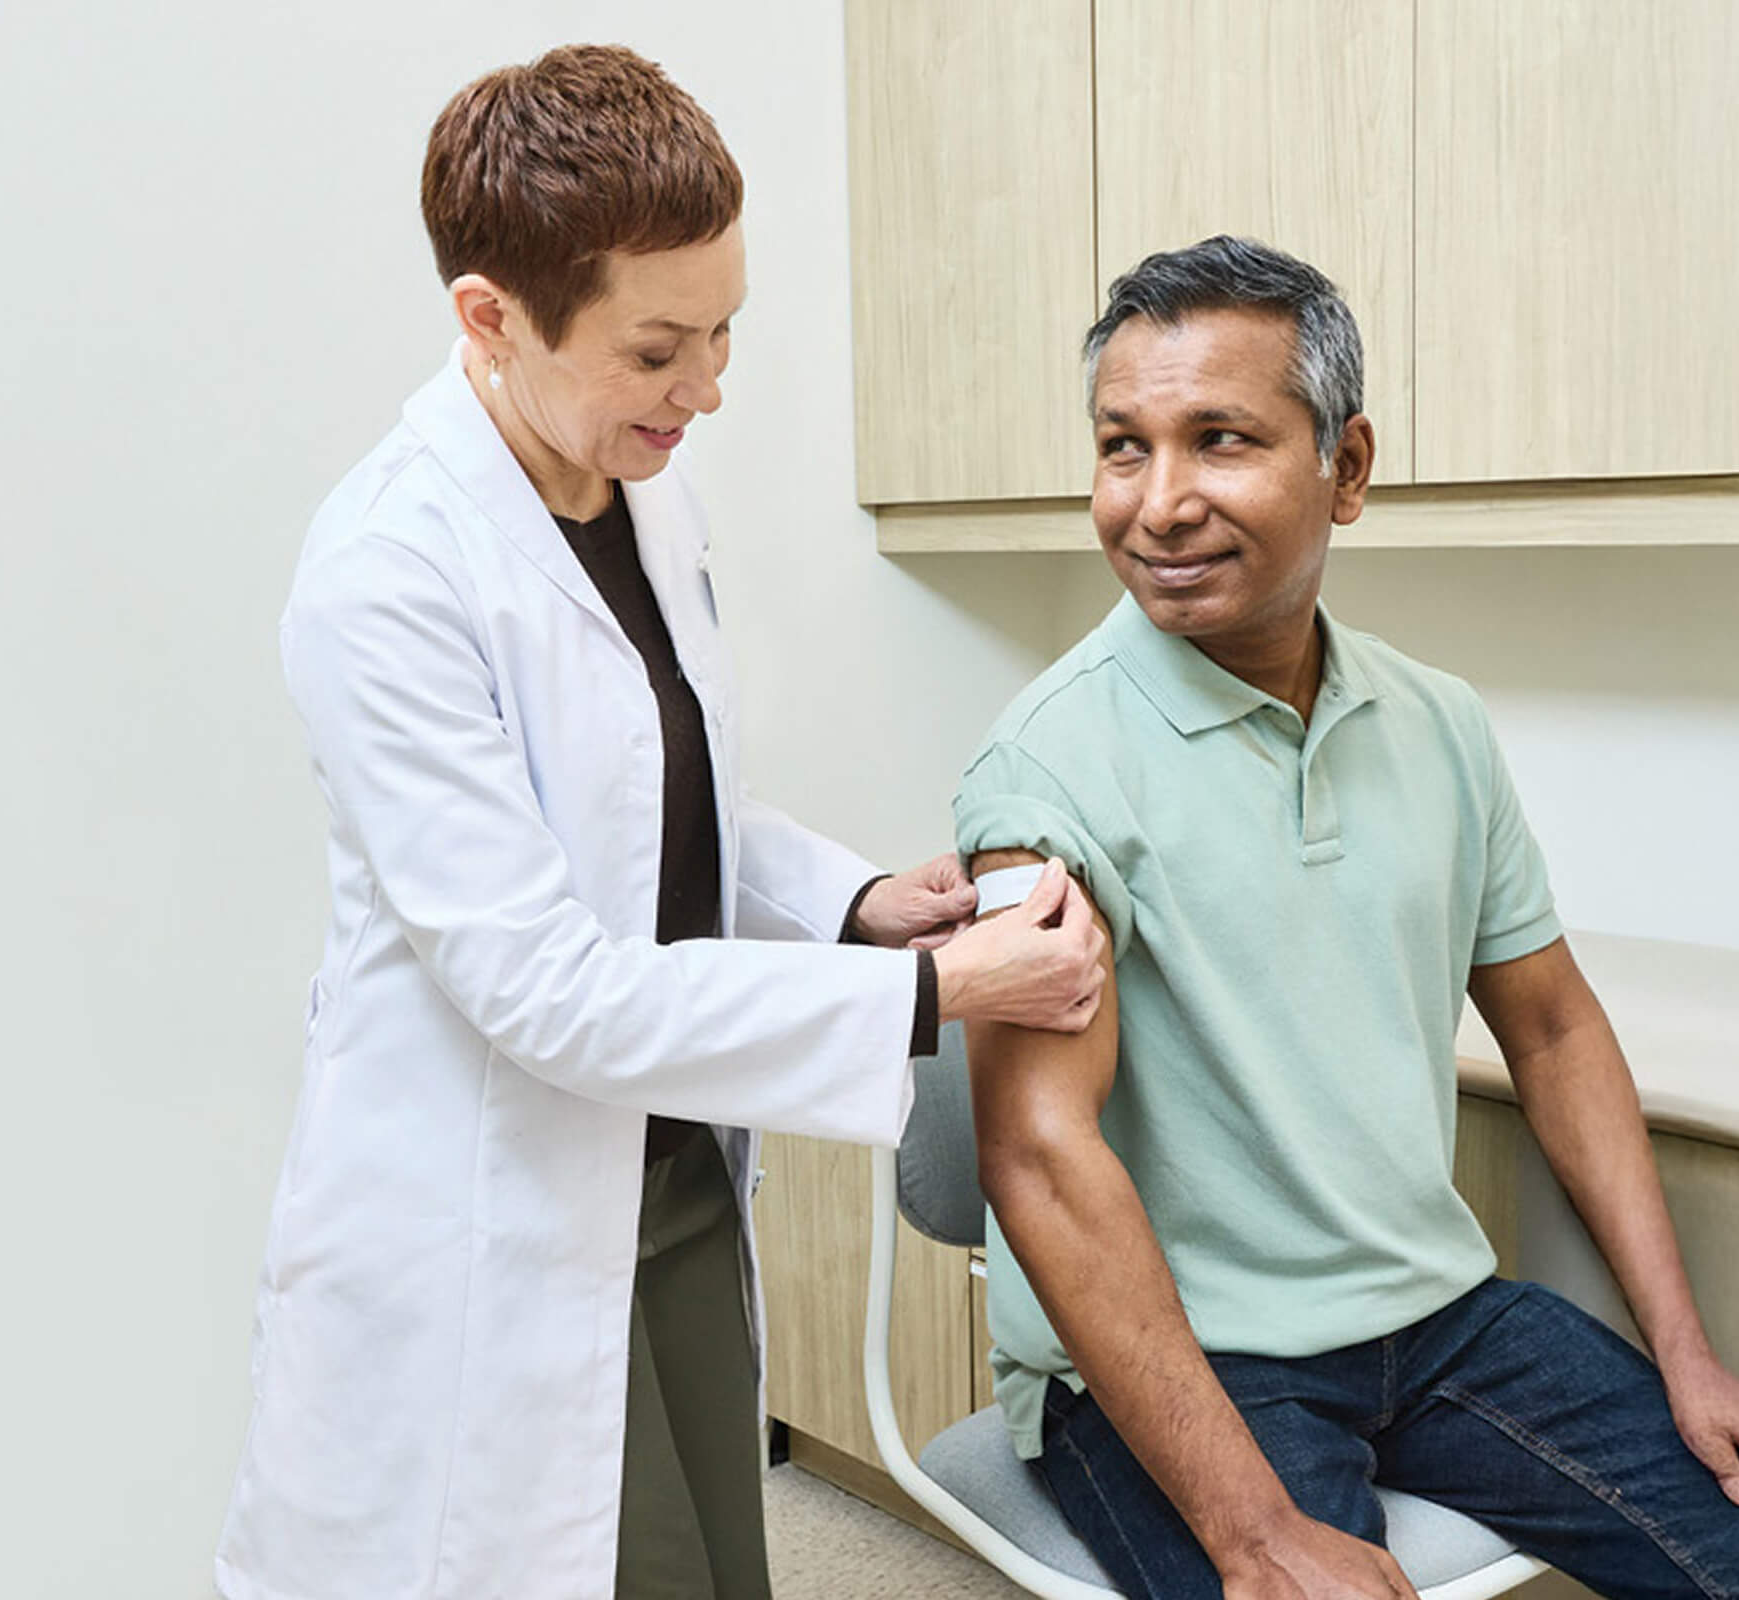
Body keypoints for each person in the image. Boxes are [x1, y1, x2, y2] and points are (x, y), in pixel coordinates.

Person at [213, 45, 1105, 1600]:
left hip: (672, 1174)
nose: (707, 389)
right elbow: (547, 987)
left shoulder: (641, 489)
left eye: (725, 331)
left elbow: (654, 803)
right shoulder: (388, 575)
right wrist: (935, 993)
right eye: (657, 349)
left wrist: (857, 905)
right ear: (491, 317)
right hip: (491, 1204)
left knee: (712, 1564)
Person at [953, 236, 1739, 1600]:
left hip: (1435, 1320)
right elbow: (1037, 1154)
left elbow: (1552, 1032)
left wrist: (1685, 1352)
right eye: (1122, 448)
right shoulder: (1047, 770)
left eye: (1219, 440)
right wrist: (1251, 1532)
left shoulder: (1439, 725)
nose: (1159, 504)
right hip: (1181, 1353)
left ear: (1349, 466)